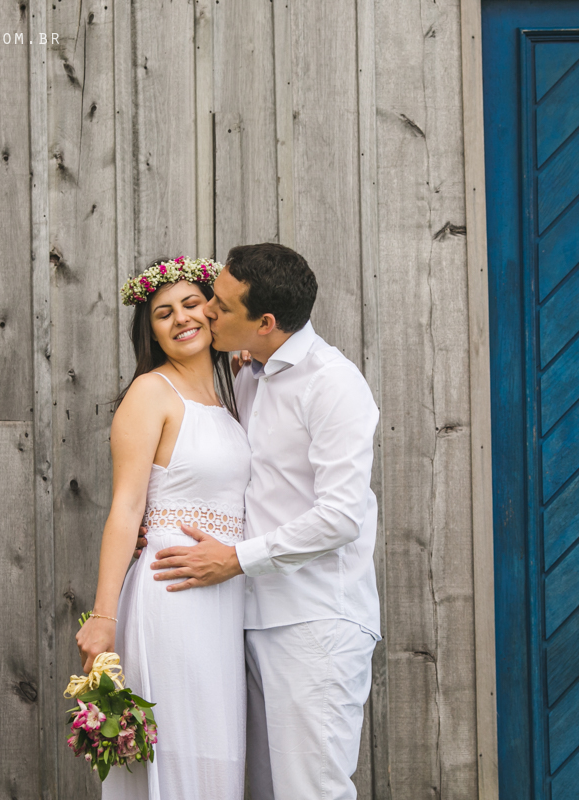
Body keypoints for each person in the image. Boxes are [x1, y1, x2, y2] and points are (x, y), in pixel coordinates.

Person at [148, 242, 381, 800]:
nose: (205, 312)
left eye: (220, 308)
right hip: (245, 619)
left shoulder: (332, 384)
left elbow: (341, 516)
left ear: (266, 323)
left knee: (311, 791)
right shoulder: (249, 371)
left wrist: (233, 559)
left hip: (313, 621)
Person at [76, 256, 250, 799]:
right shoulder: (152, 393)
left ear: (214, 309)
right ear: (149, 331)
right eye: (162, 313)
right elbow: (126, 509)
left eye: (192, 304)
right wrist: (103, 618)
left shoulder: (234, 395)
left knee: (216, 746)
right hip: (171, 591)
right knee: (177, 745)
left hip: (226, 594)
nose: (181, 319)